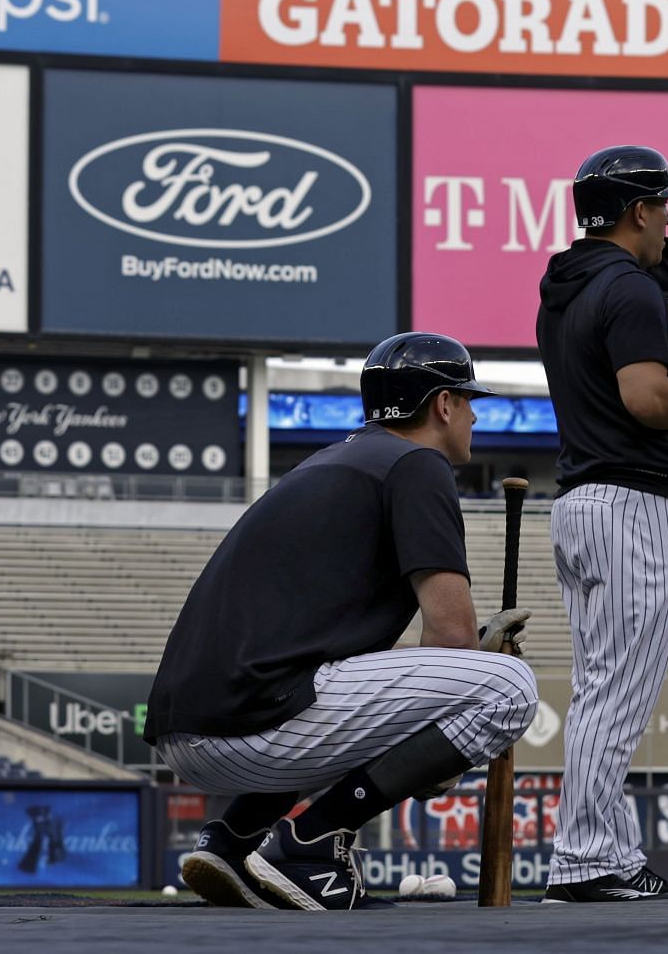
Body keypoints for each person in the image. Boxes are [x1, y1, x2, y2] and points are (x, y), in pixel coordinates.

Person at [144, 332, 539, 911]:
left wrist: (453, 681)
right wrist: (448, 726)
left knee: (361, 682)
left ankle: (233, 840)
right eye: (468, 399)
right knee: (510, 690)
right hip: (255, 724)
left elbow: (417, 661)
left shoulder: (334, 459)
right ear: (443, 405)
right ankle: (311, 844)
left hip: (195, 728)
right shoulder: (417, 464)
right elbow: (450, 638)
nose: (474, 414)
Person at [535, 145, 668, 903]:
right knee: (616, 696)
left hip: (581, 504)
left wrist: (662, 284)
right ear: (640, 211)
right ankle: (585, 859)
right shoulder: (628, 291)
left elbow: (639, 306)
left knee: (599, 691)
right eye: (663, 209)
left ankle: (607, 853)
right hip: (631, 506)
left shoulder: (569, 286)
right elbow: (650, 398)